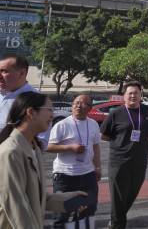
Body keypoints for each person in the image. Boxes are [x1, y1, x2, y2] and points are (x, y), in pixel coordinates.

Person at [0, 92, 87, 228]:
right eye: (49, 110)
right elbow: (15, 204)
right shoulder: (11, 152)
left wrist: (69, 199)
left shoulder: (34, 148)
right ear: (31, 112)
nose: (53, 115)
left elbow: (38, 198)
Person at [101, 81, 148, 229]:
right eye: (130, 93)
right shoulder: (115, 113)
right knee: (118, 197)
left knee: (132, 193)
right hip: (119, 162)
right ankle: (117, 224)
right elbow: (105, 135)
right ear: (124, 96)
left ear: (141, 95)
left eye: (136, 93)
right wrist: (121, 142)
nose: (133, 96)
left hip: (139, 161)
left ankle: (116, 219)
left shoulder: (147, 111)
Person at [47, 94, 102, 228]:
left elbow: (96, 147)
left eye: (82, 103)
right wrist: (70, 147)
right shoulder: (62, 125)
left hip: (87, 174)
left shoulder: (93, 124)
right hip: (65, 175)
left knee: (88, 210)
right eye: (76, 103)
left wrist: (98, 167)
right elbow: (49, 147)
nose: (78, 105)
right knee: (62, 213)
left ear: (89, 108)